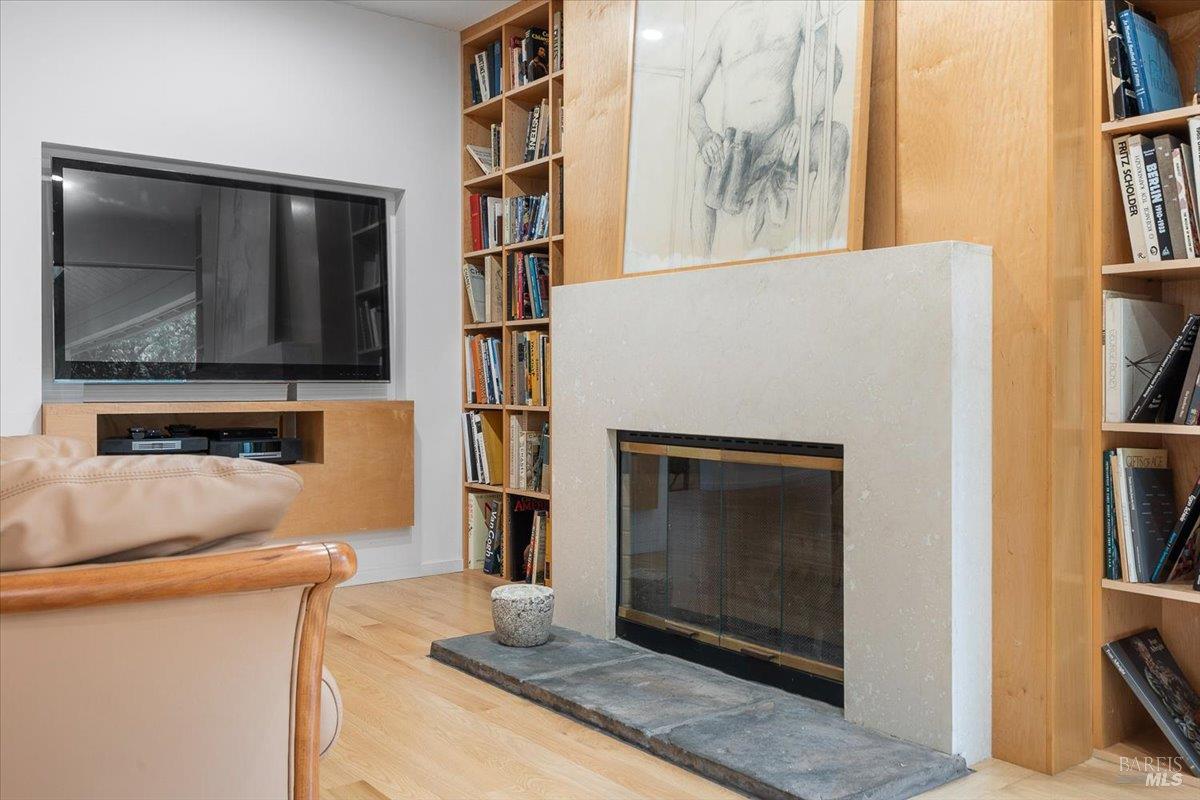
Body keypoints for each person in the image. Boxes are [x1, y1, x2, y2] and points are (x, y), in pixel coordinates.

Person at [688, 1, 850, 257]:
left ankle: (819, 254)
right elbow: (693, 99)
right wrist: (705, 136)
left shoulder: (800, 8)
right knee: (702, 161)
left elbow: (834, 65)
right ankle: (697, 268)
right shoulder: (726, 23)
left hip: (784, 141)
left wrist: (803, 121)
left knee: (837, 138)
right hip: (738, 151)